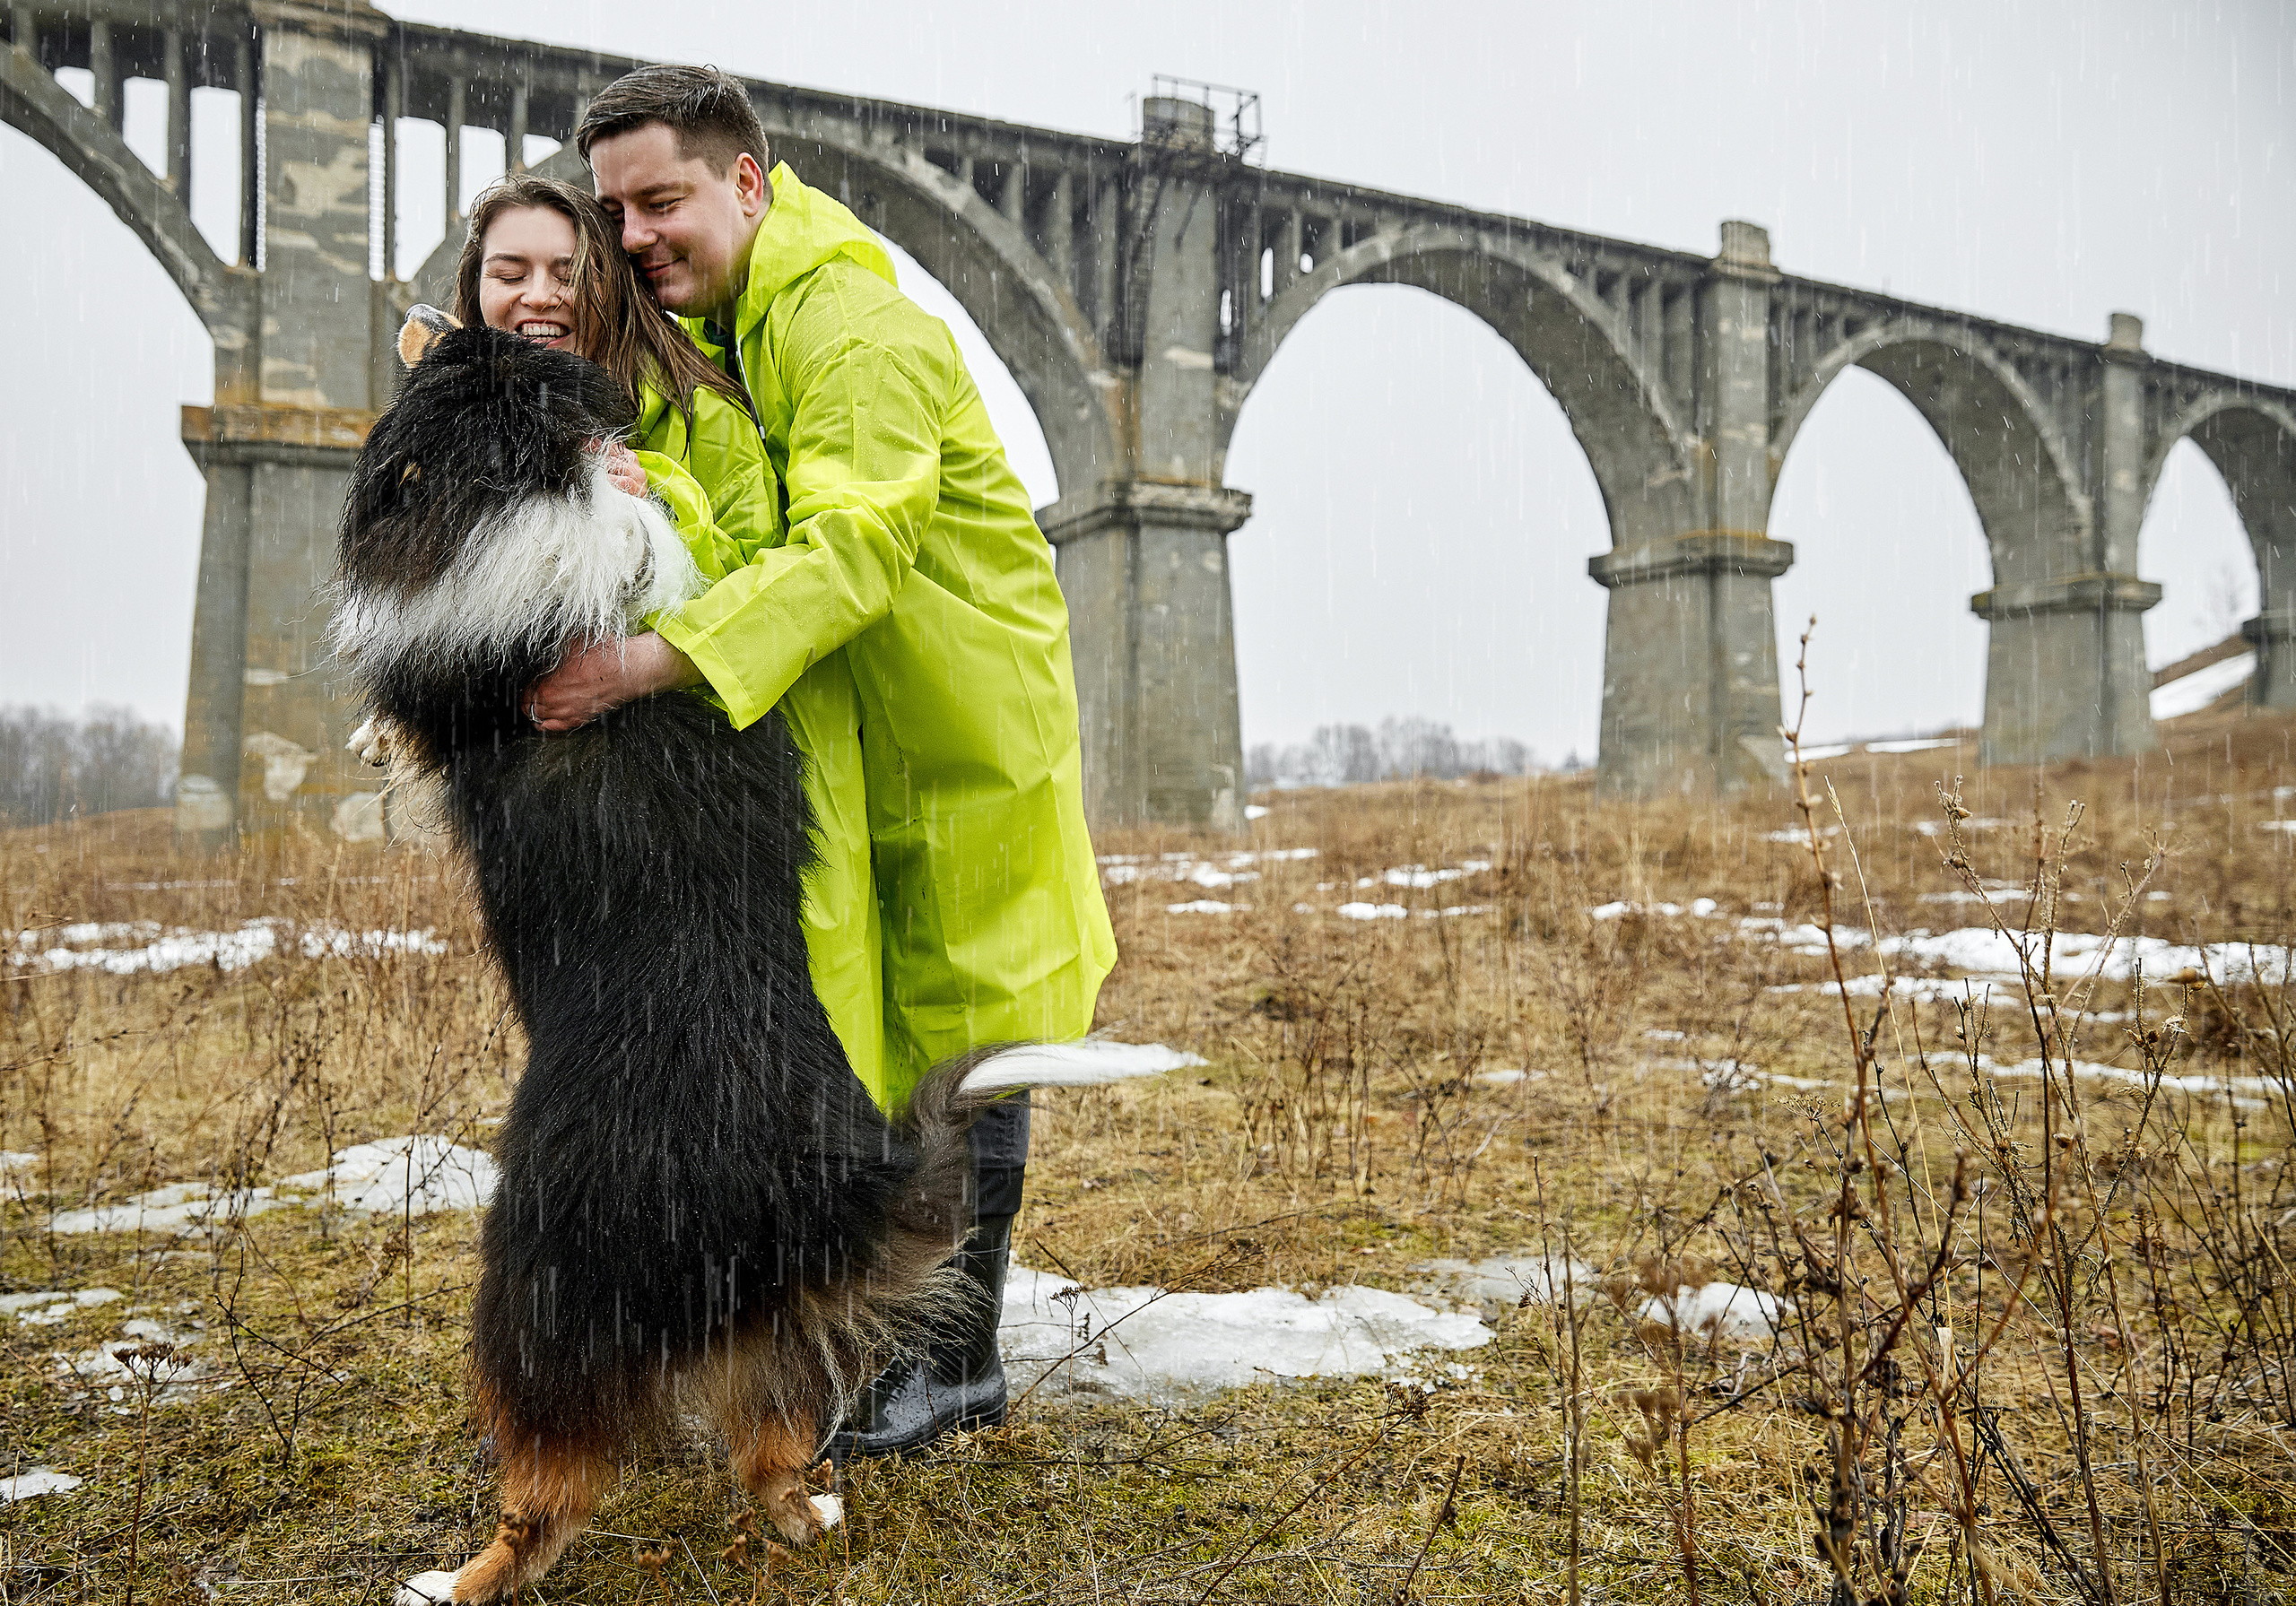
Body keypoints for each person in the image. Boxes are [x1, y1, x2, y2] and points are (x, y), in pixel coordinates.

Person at [504, 66, 1115, 1457]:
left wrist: (651, 664)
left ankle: (952, 1361)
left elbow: (852, 543)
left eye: (664, 199)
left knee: (968, 1038)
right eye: (616, 211)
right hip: (845, 718)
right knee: (872, 1040)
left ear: (750, 181)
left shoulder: (850, 328)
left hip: (956, 725)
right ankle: (864, 1339)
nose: (637, 235)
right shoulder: (738, 322)